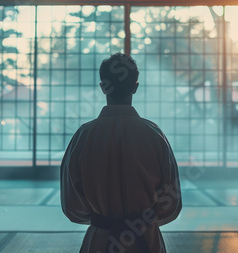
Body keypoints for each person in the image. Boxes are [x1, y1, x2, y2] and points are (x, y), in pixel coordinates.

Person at [61, 53, 182, 253]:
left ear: (103, 87)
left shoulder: (83, 136)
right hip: (146, 240)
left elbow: (71, 206)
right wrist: (143, 220)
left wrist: (101, 218)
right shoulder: (154, 135)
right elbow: (172, 202)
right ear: (135, 87)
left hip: (100, 241)